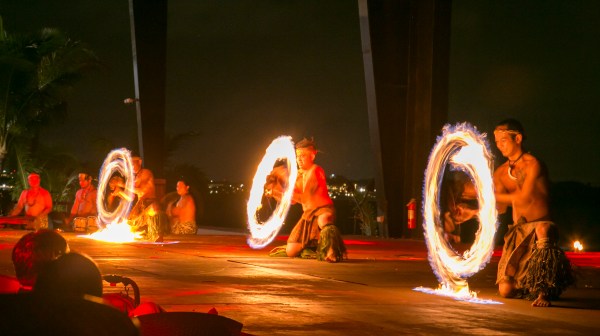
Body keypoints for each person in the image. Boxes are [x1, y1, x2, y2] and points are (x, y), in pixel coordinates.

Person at [493, 118, 573, 307]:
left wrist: (489, 195)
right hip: (518, 232)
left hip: (541, 229)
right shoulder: (500, 173)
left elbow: (523, 198)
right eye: (496, 141)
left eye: (503, 140)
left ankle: (543, 290)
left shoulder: (534, 164)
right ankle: (529, 285)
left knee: (543, 229)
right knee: (505, 291)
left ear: (518, 138)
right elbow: (500, 208)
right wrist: (473, 210)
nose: (499, 146)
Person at [266, 138, 346, 262]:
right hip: (308, 215)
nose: (299, 159)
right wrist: (275, 190)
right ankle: (313, 249)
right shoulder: (298, 175)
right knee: (291, 251)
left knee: (323, 220)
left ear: (312, 155)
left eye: (303, 156)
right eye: (297, 156)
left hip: (323, 210)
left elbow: (304, 197)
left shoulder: (316, 171)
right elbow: (292, 200)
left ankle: (331, 251)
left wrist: (281, 188)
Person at [128, 155, 163, 242]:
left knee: (153, 210)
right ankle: (143, 233)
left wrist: (122, 185)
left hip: (150, 203)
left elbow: (143, 191)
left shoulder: (146, 173)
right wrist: (119, 192)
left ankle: (156, 234)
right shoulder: (135, 178)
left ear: (139, 162)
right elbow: (131, 197)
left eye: (133, 164)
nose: (131, 167)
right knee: (130, 221)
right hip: (141, 203)